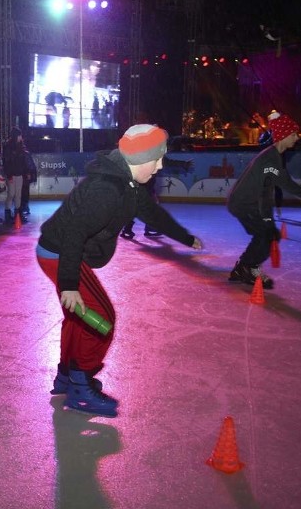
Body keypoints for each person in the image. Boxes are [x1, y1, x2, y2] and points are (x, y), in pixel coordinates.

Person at [37, 124, 203, 417]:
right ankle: (80, 386)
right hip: (61, 254)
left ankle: (67, 376)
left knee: (78, 318)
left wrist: (184, 236)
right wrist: (69, 284)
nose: (161, 166)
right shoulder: (107, 189)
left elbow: (152, 213)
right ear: (140, 158)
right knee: (101, 318)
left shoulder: (127, 183)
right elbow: (75, 232)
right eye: (157, 158)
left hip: (62, 252)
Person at [227, 114, 301, 289]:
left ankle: (242, 268)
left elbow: (277, 185)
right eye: (294, 134)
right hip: (244, 203)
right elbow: (271, 190)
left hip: (245, 202)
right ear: (284, 136)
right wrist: (268, 220)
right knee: (266, 234)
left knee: (266, 234)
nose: (297, 138)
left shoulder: (274, 156)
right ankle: (248, 268)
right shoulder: (270, 159)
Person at [2, 126, 28, 224]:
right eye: (19, 135)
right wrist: (9, 175)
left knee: (18, 195)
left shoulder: (21, 146)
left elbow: (23, 161)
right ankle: (7, 214)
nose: (21, 137)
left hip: (19, 173)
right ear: (16, 136)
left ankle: (18, 214)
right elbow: (7, 162)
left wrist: (25, 172)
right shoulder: (8, 147)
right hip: (12, 174)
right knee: (11, 194)